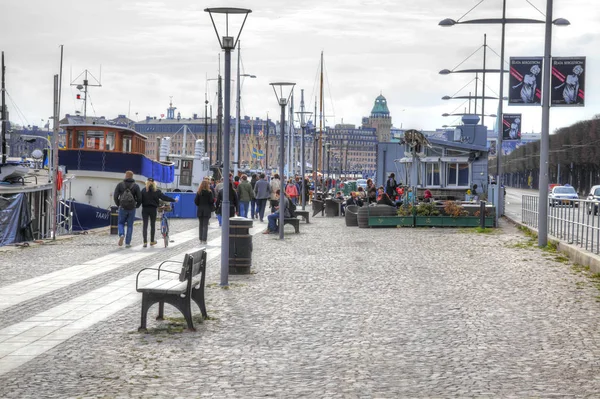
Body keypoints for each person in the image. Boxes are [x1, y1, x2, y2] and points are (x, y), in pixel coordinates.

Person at [140, 178, 177, 248]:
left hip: (145, 209)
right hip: (153, 209)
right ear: (154, 183)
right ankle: (152, 241)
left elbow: (140, 199)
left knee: (145, 225)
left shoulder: (143, 190)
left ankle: (145, 242)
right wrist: (173, 200)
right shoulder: (156, 191)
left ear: (146, 182)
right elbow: (164, 197)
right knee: (152, 225)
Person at [113, 170, 142, 248]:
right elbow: (139, 198)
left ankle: (122, 234)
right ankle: (128, 243)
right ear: (132, 177)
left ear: (126, 176)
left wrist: (118, 204)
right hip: (132, 208)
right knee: (130, 225)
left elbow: (115, 196)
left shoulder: (120, 185)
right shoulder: (135, 186)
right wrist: (137, 205)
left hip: (122, 207)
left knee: (120, 223)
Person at [194, 180, 214, 244]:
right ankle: (204, 240)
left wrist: (200, 205)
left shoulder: (199, 192)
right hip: (207, 210)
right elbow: (211, 201)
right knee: (205, 225)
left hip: (200, 210)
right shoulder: (209, 192)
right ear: (207, 185)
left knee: (200, 225)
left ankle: (200, 239)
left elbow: (196, 201)